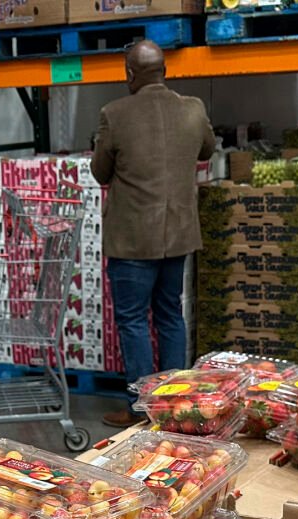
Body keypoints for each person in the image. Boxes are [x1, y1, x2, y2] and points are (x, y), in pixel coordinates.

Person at [91, 40, 216, 426]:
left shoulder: (115, 114)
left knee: (132, 321)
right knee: (169, 316)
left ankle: (141, 409)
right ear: (164, 70)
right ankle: (175, 404)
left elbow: (100, 172)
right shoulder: (193, 109)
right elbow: (207, 150)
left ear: (130, 74)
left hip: (132, 240)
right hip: (176, 236)